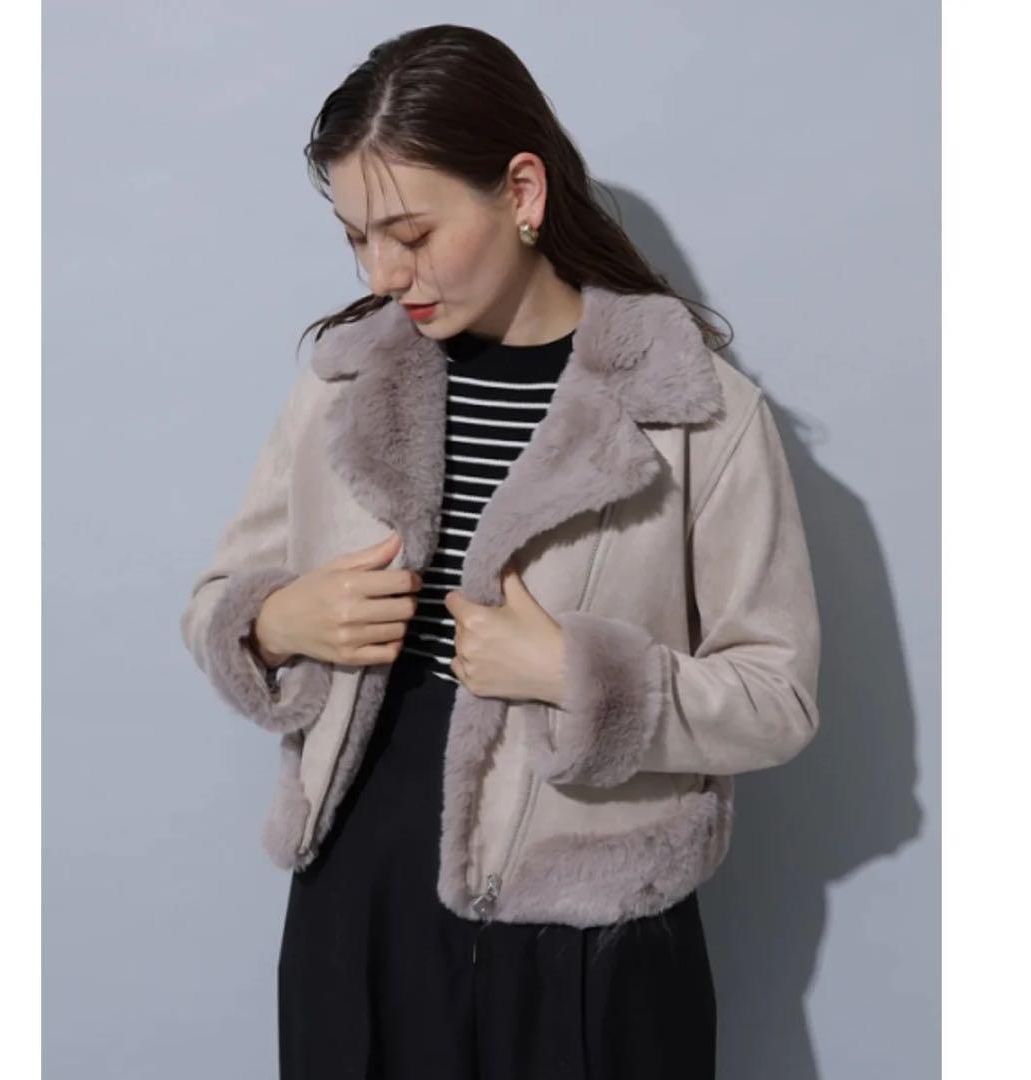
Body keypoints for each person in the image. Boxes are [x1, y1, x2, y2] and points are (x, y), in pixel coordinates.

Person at [178, 24, 822, 1080]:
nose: (385, 272)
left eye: (412, 232)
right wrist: (273, 621)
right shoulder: (341, 385)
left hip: (592, 937)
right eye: (356, 238)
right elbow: (218, 598)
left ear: (522, 192)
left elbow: (778, 697)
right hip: (359, 911)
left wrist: (579, 675)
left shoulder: (695, 415)